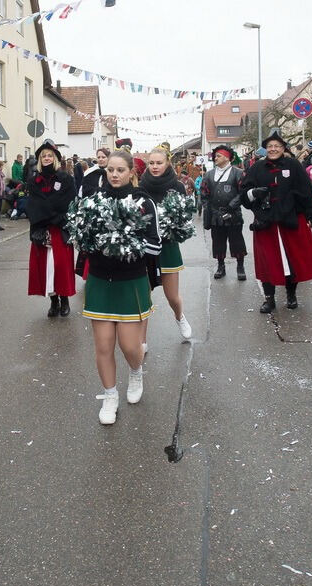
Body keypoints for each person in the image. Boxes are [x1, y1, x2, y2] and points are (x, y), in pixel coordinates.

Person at [79, 150, 161, 425]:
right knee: (103, 345)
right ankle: (110, 395)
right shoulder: (93, 200)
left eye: (120, 170)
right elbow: (82, 236)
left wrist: (125, 243)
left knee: (129, 346)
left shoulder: (144, 202)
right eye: (110, 170)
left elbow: (155, 244)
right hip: (100, 279)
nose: (114, 175)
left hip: (131, 280)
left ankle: (136, 372)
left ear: (131, 173)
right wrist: (91, 241)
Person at [240, 132, 312, 313]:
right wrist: (254, 193)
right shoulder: (257, 167)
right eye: (270, 146)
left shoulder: (293, 165)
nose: (273, 149)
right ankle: (269, 299)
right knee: (267, 262)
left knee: (291, 259)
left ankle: (291, 295)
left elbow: (306, 189)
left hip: (290, 220)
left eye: (277, 146)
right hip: (265, 222)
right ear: (266, 149)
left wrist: (308, 212)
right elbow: (244, 191)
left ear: (283, 148)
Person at [140, 145, 193, 339]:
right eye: (151, 163)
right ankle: (141, 340)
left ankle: (179, 317)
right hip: (146, 247)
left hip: (168, 246)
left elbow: (185, 216)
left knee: (172, 297)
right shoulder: (141, 186)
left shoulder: (177, 186)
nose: (155, 166)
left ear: (167, 163)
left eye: (159, 163)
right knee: (143, 296)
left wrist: (174, 223)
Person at [27, 140, 76, 317]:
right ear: (40, 160)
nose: (47, 158)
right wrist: (46, 215)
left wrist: (55, 215)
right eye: (43, 156)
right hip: (41, 227)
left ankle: (65, 300)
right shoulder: (33, 181)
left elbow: (68, 202)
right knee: (46, 268)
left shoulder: (66, 179)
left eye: (49, 155)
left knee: (61, 266)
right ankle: (54, 302)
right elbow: (34, 204)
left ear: (55, 158)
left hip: (60, 227)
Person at [202, 145, 247, 280]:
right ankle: (221, 267)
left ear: (227, 158)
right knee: (218, 242)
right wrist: (209, 209)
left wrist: (232, 206)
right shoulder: (209, 175)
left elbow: (243, 192)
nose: (215, 158)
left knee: (237, 241)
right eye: (215, 156)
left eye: (218, 156)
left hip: (233, 214)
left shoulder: (238, 173)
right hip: (216, 215)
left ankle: (240, 267)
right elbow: (204, 193)